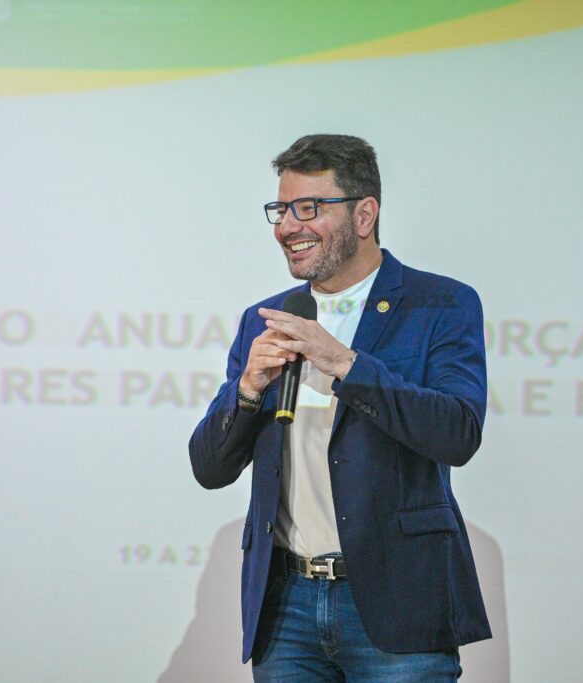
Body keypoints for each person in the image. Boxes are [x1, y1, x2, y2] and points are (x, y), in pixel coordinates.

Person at [189, 134, 490, 681]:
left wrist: (347, 364)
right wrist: (249, 389)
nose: (288, 227)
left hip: (398, 604)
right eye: (281, 209)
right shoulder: (266, 317)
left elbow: (458, 432)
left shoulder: (441, 305)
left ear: (364, 214)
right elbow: (210, 468)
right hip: (287, 610)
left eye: (309, 208)